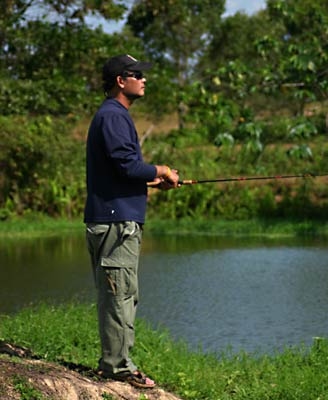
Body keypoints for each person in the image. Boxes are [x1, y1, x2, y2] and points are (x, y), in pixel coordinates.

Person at [84, 54, 179, 389]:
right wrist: (161, 170)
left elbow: (119, 172)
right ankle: (118, 368)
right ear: (120, 81)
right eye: (136, 74)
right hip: (115, 223)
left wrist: (151, 182)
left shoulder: (114, 116)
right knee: (119, 294)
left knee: (121, 293)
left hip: (116, 217)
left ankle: (115, 362)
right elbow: (127, 165)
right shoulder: (113, 115)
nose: (144, 79)